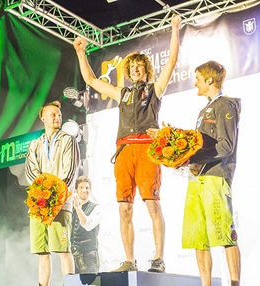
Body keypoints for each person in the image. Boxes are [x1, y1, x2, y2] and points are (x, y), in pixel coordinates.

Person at [72, 14, 181, 273]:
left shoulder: (155, 89)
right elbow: (90, 81)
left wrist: (175, 28)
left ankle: (158, 258)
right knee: (123, 210)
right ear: (129, 72)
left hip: (146, 150)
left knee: (153, 204)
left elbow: (173, 60)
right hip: (123, 152)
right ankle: (129, 261)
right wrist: (80, 53)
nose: (135, 69)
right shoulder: (123, 93)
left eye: (139, 66)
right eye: (131, 67)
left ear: (145, 69)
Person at [182, 61, 242, 286]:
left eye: (197, 78)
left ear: (209, 80)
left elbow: (226, 146)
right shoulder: (202, 110)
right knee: (199, 238)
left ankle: (235, 283)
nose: (195, 82)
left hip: (216, 176)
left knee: (226, 235)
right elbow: (200, 145)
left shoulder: (226, 105)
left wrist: (194, 157)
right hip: (196, 178)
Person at [25, 100, 80, 286]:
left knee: (63, 249)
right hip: (39, 206)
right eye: (53, 115)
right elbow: (30, 172)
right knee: (42, 252)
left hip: (61, 204)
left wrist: (53, 196)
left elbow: (69, 172)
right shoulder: (35, 144)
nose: (58, 117)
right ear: (43, 118)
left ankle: (69, 284)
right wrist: (42, 194)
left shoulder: (68, 140)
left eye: (59, 115)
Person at [71, 176, 102, 274]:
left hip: (89, 254)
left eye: (87, 188)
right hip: (72, 255)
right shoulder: (70, 210)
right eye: (81, 187)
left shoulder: (96, 208)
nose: (85, 190)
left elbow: (87, 225)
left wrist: (78, 208)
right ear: (75, 190)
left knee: (91, 283)